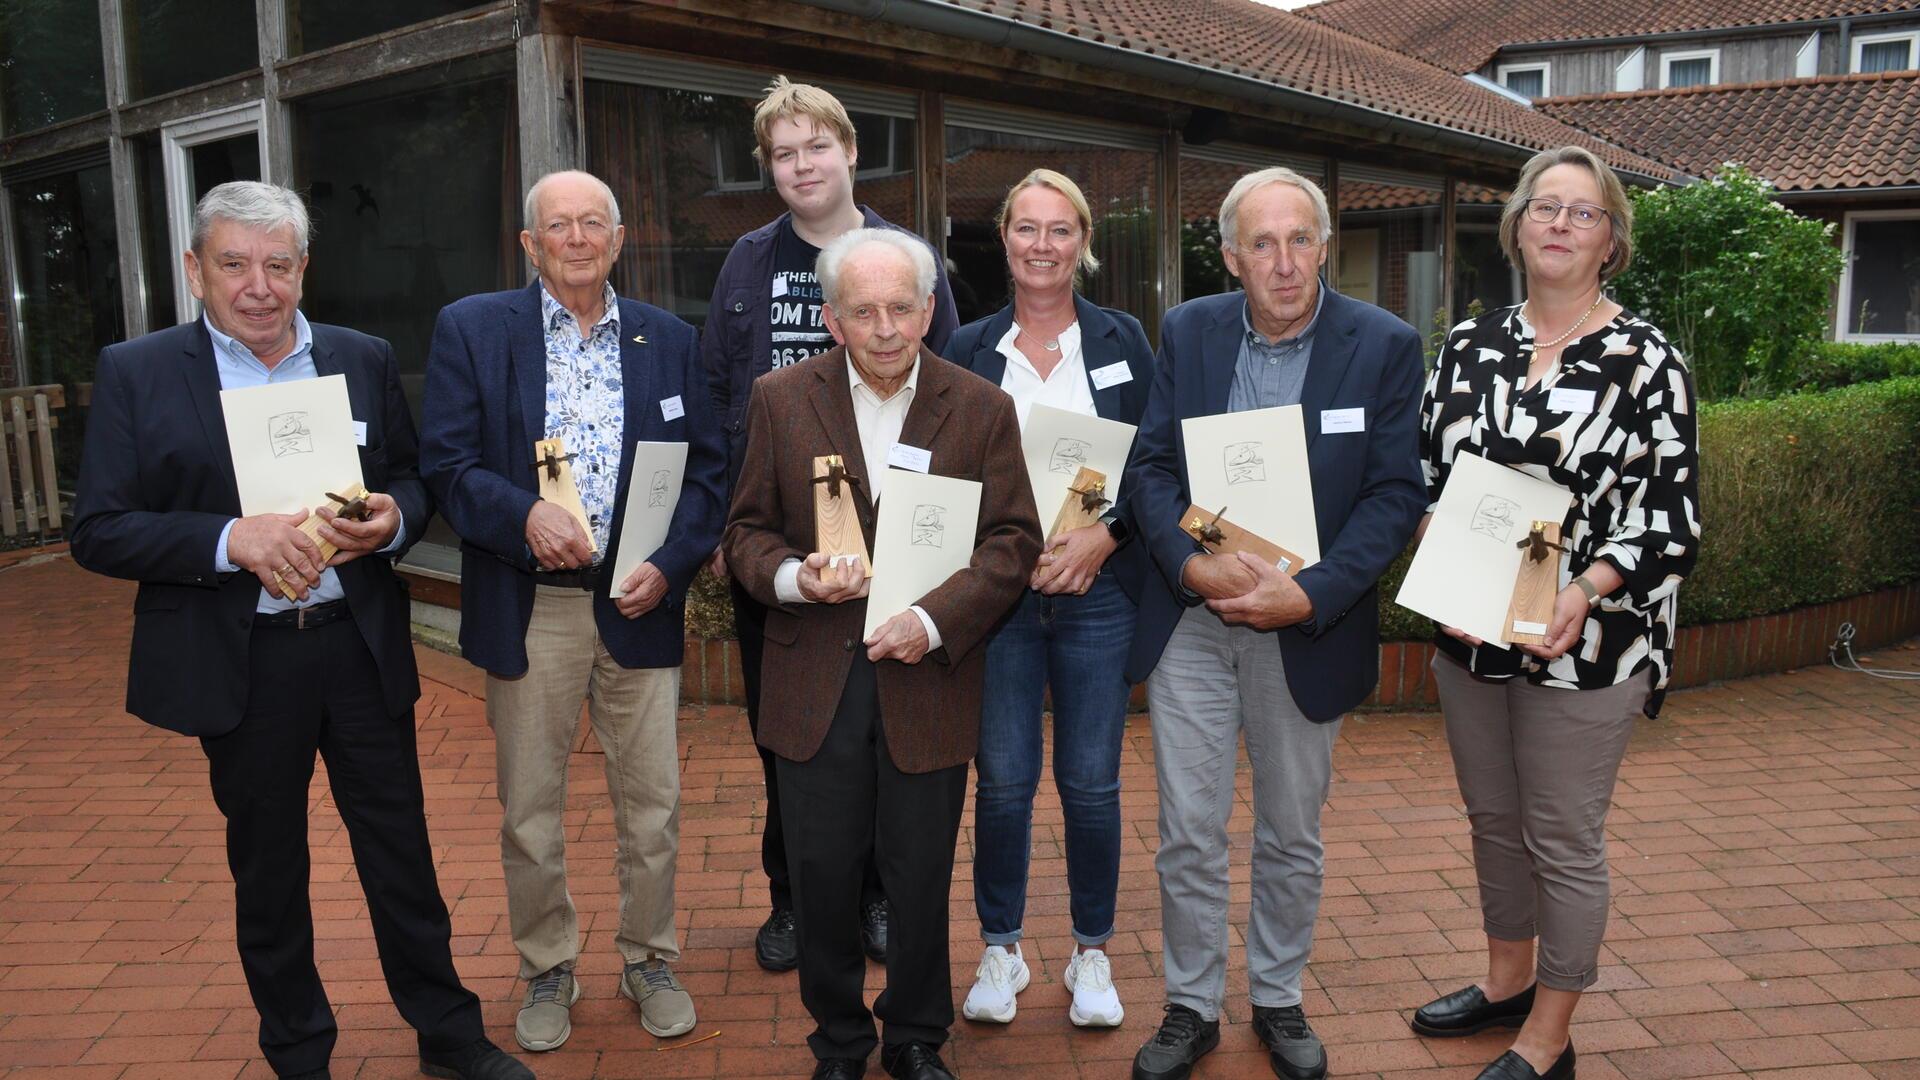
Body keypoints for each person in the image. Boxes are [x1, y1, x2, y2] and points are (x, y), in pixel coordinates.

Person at [70, 181, 532, 1080]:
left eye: (278, 265)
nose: (259, 286)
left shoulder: (359, 357)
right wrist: (226, 538)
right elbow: (97, 528)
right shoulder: (139, 370)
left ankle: (449, 1034)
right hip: (243, 660)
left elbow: (412, 475)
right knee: (268, 870)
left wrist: (394, 518)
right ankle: (298, 1052)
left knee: (400, 850)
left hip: (354, 645)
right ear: (197, 271)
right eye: (235, 264)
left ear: (303, 268)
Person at [1123, 167, 1427, 1080]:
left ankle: (1279, 997)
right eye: (1263, 243)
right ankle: (1189, 1004)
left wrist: (1317, 590)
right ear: (1230, 256)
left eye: (1300, 240)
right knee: (1188, 826)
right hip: (1196, 619)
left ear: (1325, 246)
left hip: (1306, 623)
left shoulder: (1384, 344)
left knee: (1292, 829)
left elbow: (1394, 492)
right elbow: (1150, 468)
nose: (1284, 262)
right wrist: (1188, 562)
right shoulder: (1189, 331)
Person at [418, 170, 727, 1052]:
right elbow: (445, 465)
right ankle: (547, 965)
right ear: (530, 245)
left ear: (620, 240)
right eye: (561, 226)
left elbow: (707, 472)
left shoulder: (668, 338)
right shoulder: (475, 330)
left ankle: (649, 958)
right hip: (531, 607)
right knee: (530, 808)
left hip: (638, 601)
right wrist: (521, 517)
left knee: (654, 805)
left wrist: (670, 567)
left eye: (596, 223)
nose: (580, 239)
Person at [1408, 146, 1699, 1080]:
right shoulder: (1467, 345)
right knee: (1494, 819)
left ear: (1611, 240)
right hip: (1471, 636)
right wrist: (1440, 563)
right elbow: (1424, 477)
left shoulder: (1647, 359)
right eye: (1546, 208)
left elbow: (1671, 517)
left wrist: (1583, 589)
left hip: (1588, 641)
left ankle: (1550, 1036)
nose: (1561, 225)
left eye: (1583, 213)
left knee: (1561, 835)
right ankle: (1505, 985)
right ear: (1519, 224)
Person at [722, 228, 1041, 1080]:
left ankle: (915, 1037)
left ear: (931, 310)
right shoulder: (780, 399)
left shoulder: (979, 407)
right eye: (864, 311)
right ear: (832, 319)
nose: (887, 327)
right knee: (822, 874)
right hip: (813, 675)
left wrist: (935, 622)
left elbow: (1012, 542)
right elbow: (744, 533)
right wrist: (793, 577)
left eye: (902, 307)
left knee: (919, 873)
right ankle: (838, 1041)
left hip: (926, 676)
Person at [703, 75, 960, 972]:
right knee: (790, 736)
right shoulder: (747, 261)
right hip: (782, 543)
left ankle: (881, 899)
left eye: (817, 146)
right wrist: (729, 532)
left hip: (895, 544)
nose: (801, 165)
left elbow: (950, 397)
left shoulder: (906, 257)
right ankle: (794, 900)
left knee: (893, 731)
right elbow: (717, 398)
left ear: (850, 152)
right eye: (783, 152)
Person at [942, 168, 1154, 1029]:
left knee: (1093, 784)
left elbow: (1153, 459)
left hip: (1097, 594)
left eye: (1059, 229)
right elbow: (946, 466)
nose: (1041, 245)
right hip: (999, 601)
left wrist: (1108, 535)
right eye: (1026, 228)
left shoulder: (1124, 340)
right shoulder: (966, 348)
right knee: (1002, 782)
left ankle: (1092, 953)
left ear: (1083, 242)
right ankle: (1003, 947)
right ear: (1004, 240)